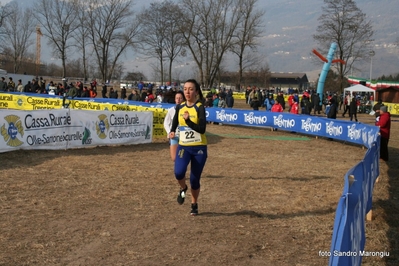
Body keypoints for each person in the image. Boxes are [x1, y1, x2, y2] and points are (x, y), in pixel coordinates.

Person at [169, 79, 207, 216]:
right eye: (185, 89)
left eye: (191, 89)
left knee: (194, 179)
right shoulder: (180, 107)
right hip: (184, 147)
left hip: (199, 149)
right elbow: (174, 122)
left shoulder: (199, 107)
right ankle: (183, 188)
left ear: (196, 91)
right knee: (179, 173)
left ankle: (194, 204)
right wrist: (172, 131)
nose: (187, 92)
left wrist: (188, 121)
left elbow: (202, 129)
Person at [163, 91, 185, 161]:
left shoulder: (187, 110)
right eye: (177, 98)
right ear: (175, 99)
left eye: (180, 98)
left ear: (183, 99)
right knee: (174, 158)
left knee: (183, 156)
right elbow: (166, 123)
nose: (178, 100)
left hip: (184, 136)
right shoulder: (171, 110)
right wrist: (170, 132)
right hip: (174, 136)